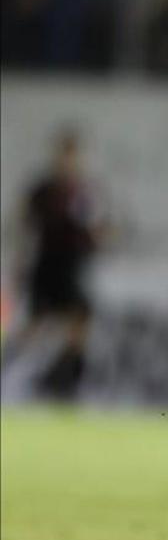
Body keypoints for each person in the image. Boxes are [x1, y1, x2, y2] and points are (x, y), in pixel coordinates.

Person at [2, 126, 107, 399]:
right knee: (35, 326)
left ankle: (68, 386)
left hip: (73, 265)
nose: (68, 160)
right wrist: (19, 263)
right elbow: (23, 226)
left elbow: (97, 229)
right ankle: (10, 369)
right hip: (48, 263)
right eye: (65, 154)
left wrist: (99, 238)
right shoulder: (43, 189)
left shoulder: (85, 190)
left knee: (80, 323)